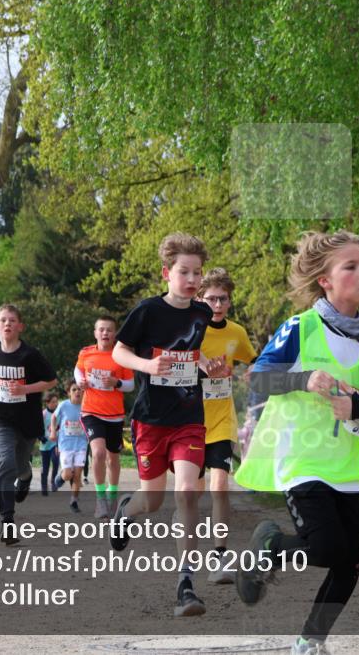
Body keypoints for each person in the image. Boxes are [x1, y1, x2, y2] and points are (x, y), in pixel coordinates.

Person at [234, 230, 359, 655]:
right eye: (351, 267)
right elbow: (257, 377)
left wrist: (358, 409)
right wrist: (304, 379)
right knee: (325, 548)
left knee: (351, 562)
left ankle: (310, 640)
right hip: (302, 457)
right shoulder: (302, 327)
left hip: (346, 463)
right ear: (325, 280)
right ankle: (270, 546)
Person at [109, 232, 230, 618]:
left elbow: (187, 353)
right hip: (150, 420)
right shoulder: (147, 311)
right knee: (154, 501)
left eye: (197, 273)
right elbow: (119, 350)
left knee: (187, 493)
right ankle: (126, 512)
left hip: (189, 417)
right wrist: (146, 366)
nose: (192, 279)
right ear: (167, 273)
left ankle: (186, 582)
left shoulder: (200, 313)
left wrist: (204, 366)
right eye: (184, 272)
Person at [0, 304, 57, 545]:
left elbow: (51, 380)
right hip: (1, 418)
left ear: (20, 326)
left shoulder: (30, 355)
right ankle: (6, 521)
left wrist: (24, 389)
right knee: (5, 463)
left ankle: (26, 476)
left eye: (11, 320)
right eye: (2, 320)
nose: (7, 324)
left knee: (19, 466)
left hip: (27, 420)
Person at [196, 267, 258, 582]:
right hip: (188, 422)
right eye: (211, 299)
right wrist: (202, 366)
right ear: (199, 298)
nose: (217, 304)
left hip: (222, 420)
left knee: (219, 486)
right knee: (190, 494)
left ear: (229, 302)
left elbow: (255, 361)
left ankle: (219, 557)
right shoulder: (189, 329)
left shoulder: (236, 333)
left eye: (223, 299)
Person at [73, 315, 134, 517]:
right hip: (91, 411)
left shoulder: (121, 355)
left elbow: (131, 385)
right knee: (98, 453)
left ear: (115, 333)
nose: (105, 333)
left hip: (114, 415)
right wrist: (81, 380)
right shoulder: (86, 352)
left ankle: (112, 493)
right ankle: (100, 499)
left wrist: (116, 383)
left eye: (109, 329)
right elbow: (78, 370)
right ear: (95, 332)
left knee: (112, 458)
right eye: (101, 329)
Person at [49, 382, 87, 513]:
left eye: (80, 389)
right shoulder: (64, 405)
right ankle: (60, 478)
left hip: (81, 444)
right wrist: (53, 432)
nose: (77, 392)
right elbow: (53, 417)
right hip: (65, 445)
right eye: (74, 389)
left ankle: (74, 501)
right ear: (69, 392)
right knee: (67, 474)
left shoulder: (87, 405)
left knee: (77, 475)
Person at [39, 393, 61, 496]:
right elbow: (37, 427)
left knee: (56, 461)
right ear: (47, 403)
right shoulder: (43, 414)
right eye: (53, 402)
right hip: (44, 445)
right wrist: (40, 437)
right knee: (45, 467)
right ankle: (44, 486)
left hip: (55, 443)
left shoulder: (59, 414)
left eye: (56, 401)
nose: (55, 404)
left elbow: (62, 427)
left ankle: (53, 482)